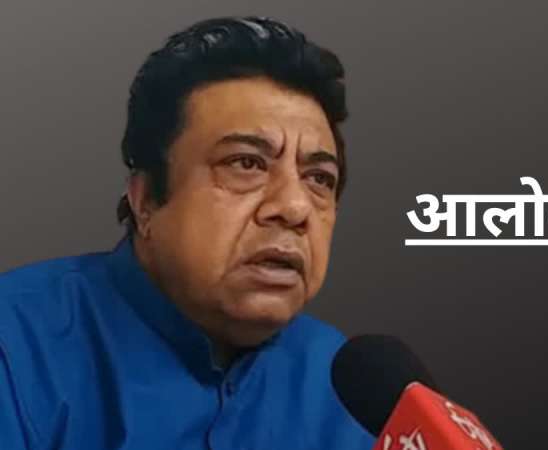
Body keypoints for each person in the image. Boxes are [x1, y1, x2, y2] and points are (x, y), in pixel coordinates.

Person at [0, 16, 374, 449]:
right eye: (246, 163)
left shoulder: (344, 383)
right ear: (145, 200)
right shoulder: (18, 346)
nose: (294, 208)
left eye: (319, 179)